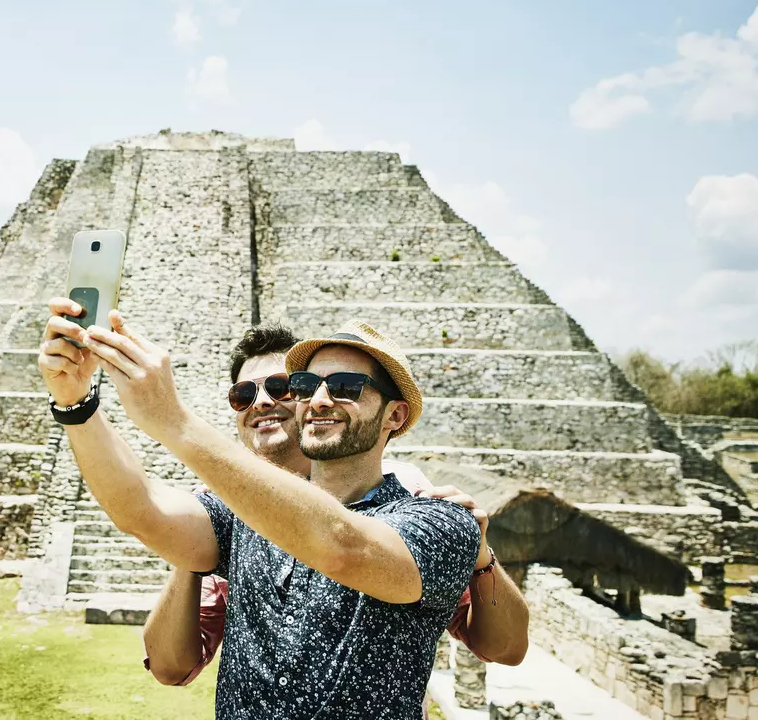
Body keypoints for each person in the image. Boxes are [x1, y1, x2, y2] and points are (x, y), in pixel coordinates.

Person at [39, 302, 485, 719]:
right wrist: (77, 405)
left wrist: (173, 420)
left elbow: (343, 548)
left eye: (345, 387)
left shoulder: (440, 517)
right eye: (308, 386)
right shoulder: (243, 513)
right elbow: (142, 510)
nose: (320, 399)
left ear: (394, 416)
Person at [139, 323, 529, 694]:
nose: (260, 402)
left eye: (282, 387)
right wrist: (195, 546)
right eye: (243, 394)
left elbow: (502, 647)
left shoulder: (405, 496)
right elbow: (169, 666)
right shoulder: (229, 512)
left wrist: (479, 558)